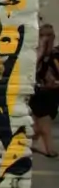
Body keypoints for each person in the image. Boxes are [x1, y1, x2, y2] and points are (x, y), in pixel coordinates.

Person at [31, 22, 59, 157]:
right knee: (44, 121)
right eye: (43, 35)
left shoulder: (56, 53)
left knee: (37, 126)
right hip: (39, 92)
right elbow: (32, 69)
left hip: (53, 92)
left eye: (50, 35)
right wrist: (41, 49)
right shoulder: (34, 52)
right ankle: (49, 149)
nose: (47, 38)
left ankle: (29, 143)